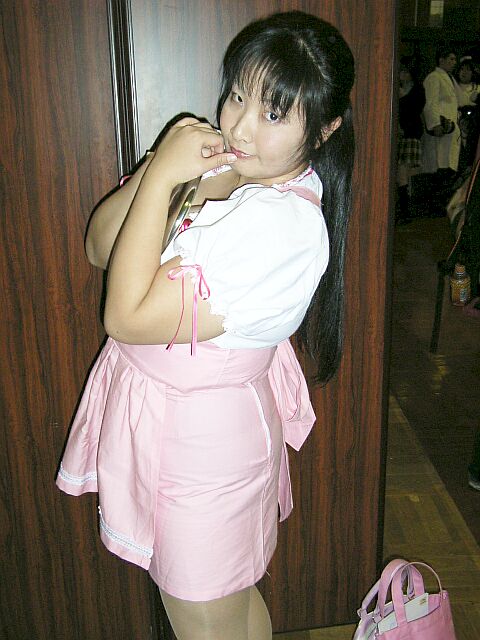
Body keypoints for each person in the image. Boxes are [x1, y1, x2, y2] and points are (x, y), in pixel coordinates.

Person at [56, 11, 355, 640]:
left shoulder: (279, 229)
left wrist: (169, 175)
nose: (241, 126)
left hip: (203, 449)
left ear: (325, 129)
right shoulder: (233, 174)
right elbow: (100, 246)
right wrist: (161, 172)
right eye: (238, 95)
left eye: (273, 113)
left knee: (204, 617)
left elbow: (126, 317)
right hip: (179, 429)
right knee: (226, 608)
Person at [422, 47, 461, 212]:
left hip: (450, 130)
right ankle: (433, 206)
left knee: (447, 167)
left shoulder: (450, 79)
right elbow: (430, 102)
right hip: (440, 130)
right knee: (438, 166)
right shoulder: (434, 77)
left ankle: (440, 204)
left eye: (454, 59)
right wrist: (435, 124)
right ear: (441, 60)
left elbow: (461, 100)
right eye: (450, 59)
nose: (454, 62)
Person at [397, 57, 426, 223]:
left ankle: (406, 210)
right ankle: (406, 208)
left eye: (404, 71)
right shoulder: (401, 88)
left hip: (410, 133)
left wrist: (402, 98)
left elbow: (415, 109)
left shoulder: (417, 90)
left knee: (404, 171)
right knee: (404, 172)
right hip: (404, 134)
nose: (401, 74)